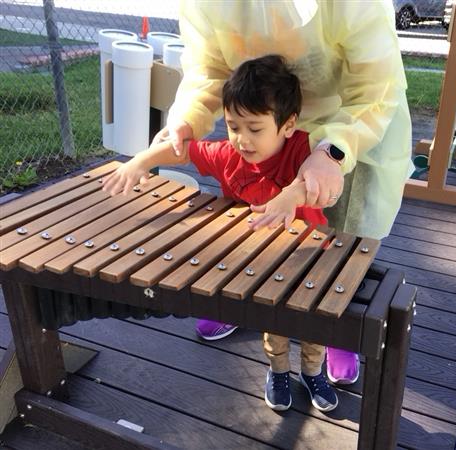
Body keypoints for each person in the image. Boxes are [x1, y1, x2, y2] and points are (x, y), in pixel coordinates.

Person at [155, 0, 414, 385]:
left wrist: (333, 150)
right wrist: (186, 119)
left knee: (341, 237)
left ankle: (336, 322)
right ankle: (244, 299)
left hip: (352, 121)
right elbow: (208, 70)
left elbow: (375, 89)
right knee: (260, 220)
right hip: (264, 121)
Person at [102, 54, 339, 412]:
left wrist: (292, 196)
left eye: (255, 129)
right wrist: (141, 161)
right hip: (265, 260)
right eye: (233, 126)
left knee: (313, 323)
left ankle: (313, 371)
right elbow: (184, 151)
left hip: (311, 255)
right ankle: (278, 370)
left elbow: (322, 179)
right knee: (274, 320)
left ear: (288, 125)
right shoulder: (229, 156)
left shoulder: (302, 150)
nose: (242, 139)